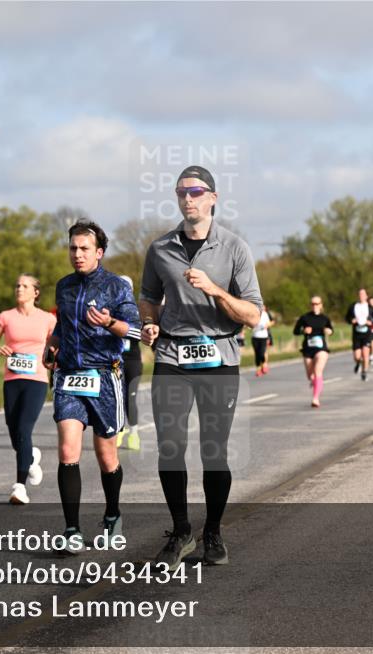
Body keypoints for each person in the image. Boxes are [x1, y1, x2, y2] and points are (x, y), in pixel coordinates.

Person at [140, 165, 263, 569]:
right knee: (170, 446)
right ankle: (180, 531)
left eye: (195, 191)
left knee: (214, 451)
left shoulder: (235, 249)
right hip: (173, 357)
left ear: (213, 197)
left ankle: (213, 531)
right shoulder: (160, 249)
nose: (187, 198)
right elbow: (148, 298)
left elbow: (252, 315)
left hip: (219, 358)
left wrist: (214, 289)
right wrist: (149, 322)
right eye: (180, 192)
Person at [47, 219, 141, 555]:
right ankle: (71, 530)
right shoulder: (64, 286)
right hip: (70, 377)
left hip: (104, 378)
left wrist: (110, 323)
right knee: (68, 451)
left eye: (84, 248)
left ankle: (113, 515)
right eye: (73, 248)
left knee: (106, 455)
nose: (77, 254)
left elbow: (136, 330)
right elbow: (61, 324)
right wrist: (53, 345)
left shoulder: (116, 286)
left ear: (99, 252)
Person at [0, 274, 54, 504]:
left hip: (36, 379)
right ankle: (31, 456)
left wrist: (54, 362)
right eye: (17, 285)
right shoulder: (6, 317)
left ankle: (19, 487)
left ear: (36, 292)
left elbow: (55, 347)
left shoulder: (47, 319)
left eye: (24, 286)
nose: (19, 289)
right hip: (12, 379)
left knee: (24, 430)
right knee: (14, 431)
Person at [116, 275, 143, 452]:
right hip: (115, 360)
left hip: (133, 359)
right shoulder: (110, 309)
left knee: (130, 397)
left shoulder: (138, 310)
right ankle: (119, 429)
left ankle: (134, 432)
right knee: (116, 397)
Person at [293, 296, 333, 408]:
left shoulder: (325, 318)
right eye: (313, 304)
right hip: (308, 348)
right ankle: (314, 382)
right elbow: (295, 331)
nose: (315, 305)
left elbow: (330, 330)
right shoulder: (305, 317)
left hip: (321, 348)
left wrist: (328, 331)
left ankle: (315, 398)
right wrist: (303, 330)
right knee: (310, 375)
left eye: (317, 303)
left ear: (321, 305)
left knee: (317, 371)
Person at [346, 288, 373, 381]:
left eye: (363, 294)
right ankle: (358, 363)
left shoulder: (370, 307)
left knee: (365, 353)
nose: (361, 296)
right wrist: (351, 320)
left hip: (367, 334)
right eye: (360, 294)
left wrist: (370, 322)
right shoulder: (353, 306)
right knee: (357, 356)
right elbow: (347, 318)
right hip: (356, 334)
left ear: (366, 296)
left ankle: (364, 372)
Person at [251, 306, 274, 377]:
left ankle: (264, 364)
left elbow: (270, 322)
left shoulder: (265, 314)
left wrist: (267, 325)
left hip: (263, 337)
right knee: (257, 354)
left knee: (262, 352)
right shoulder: (253, 313)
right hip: (255, 337)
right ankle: (258, 370)